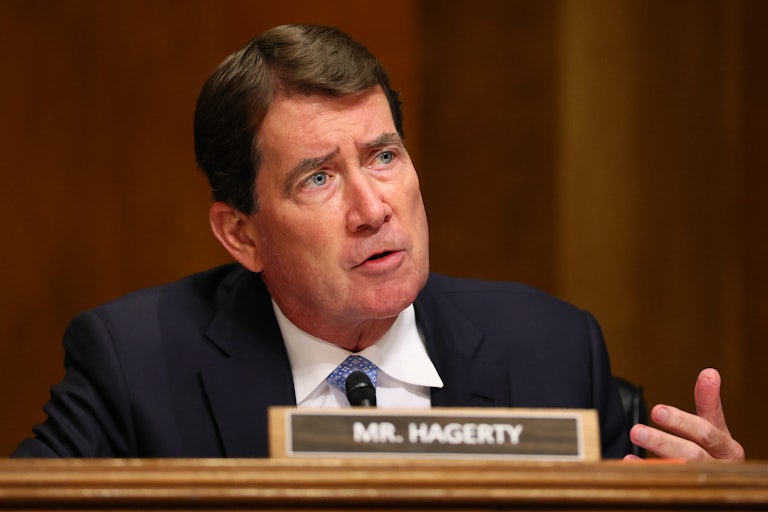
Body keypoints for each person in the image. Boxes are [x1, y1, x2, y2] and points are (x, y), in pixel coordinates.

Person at [12, 24, 743, 462]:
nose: (373, 208)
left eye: (384, 156)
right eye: (319, 179)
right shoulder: (136, 364)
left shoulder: (552, 350)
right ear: (242, 234)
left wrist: (721, 504)